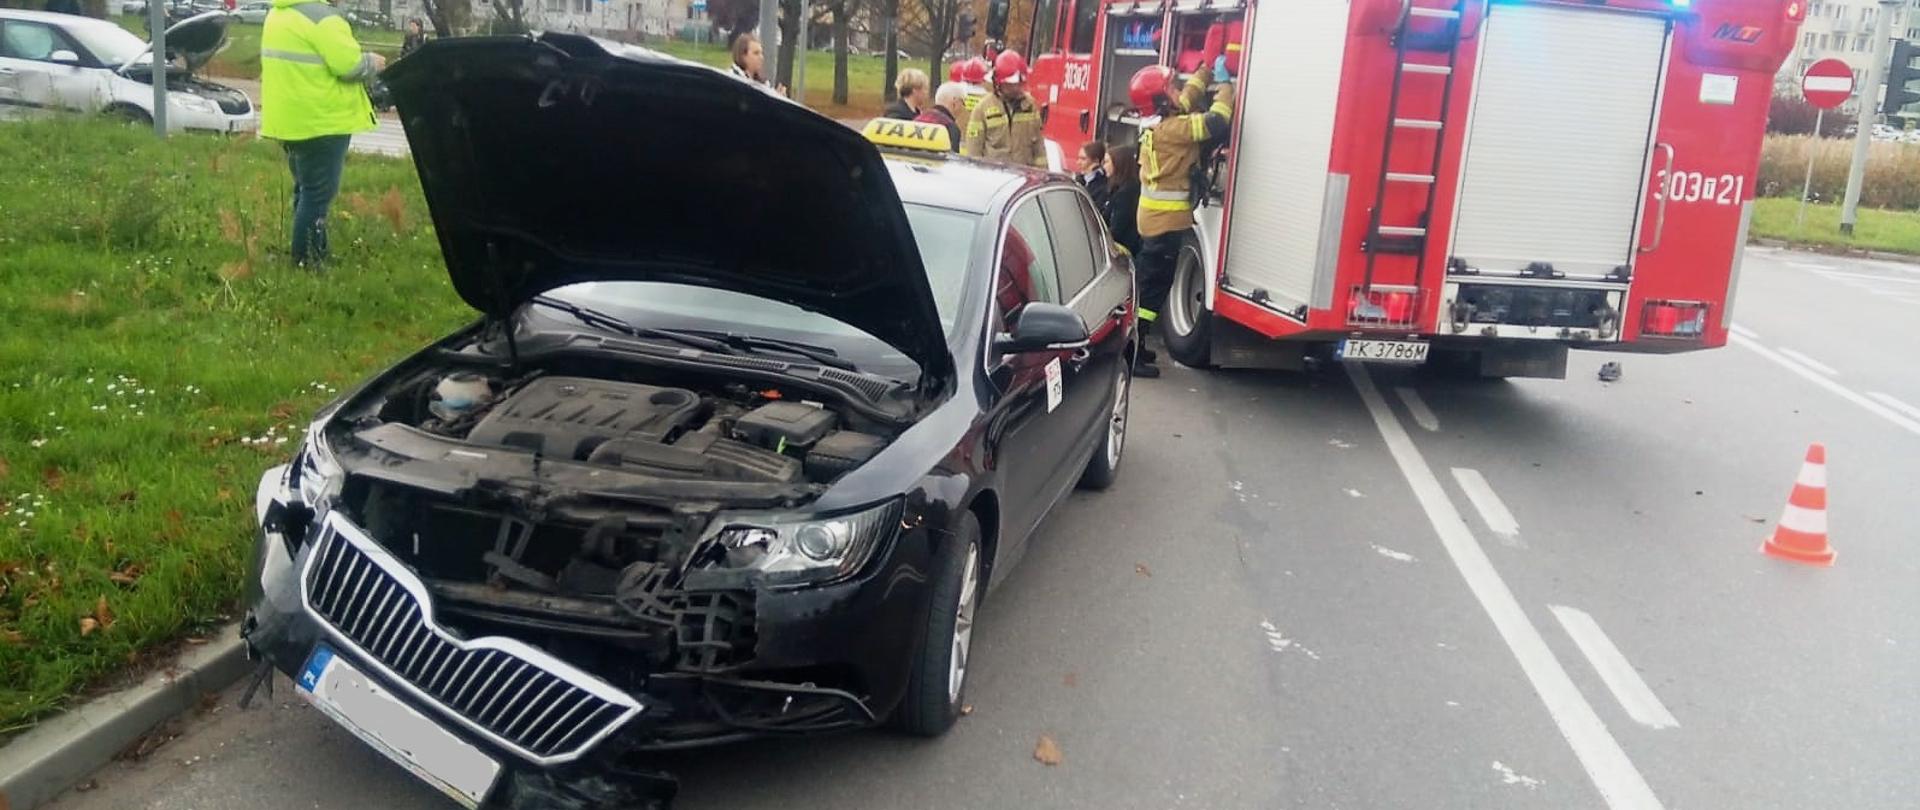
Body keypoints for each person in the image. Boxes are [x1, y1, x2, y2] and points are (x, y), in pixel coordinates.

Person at [1128, 23, 1233, 377]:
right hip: (1164, 224)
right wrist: (1224, 86)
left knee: (1149, 286)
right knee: (1151, 292)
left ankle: (1135, 345)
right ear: (1160, 99)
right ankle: (1133, 349)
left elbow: (1185, 100)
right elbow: (1217, 123)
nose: (1176, 91)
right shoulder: (1174, 130)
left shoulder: (1157, 122)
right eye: (1169, 87)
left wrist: (1203, 69)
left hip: (1155, 221)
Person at [260, 0, 386, 268]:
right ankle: (306, 261)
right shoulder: (325, 19)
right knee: (317, 194)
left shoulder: (278, 14)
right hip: (323, 121)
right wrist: (372, 62)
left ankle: (315, 251)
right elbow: (349, 66)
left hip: (291, 121)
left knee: (306, 190)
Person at [960, 50, 1046, 169]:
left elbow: (1039, 148)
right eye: (1011, 84)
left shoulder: (1030, 106)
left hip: (1023, 178)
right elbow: (974, 151)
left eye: (1019, 83)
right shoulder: (982, 109)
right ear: (998, 83)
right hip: (994, 180)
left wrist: (1042, 176)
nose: (1016, 88)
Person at [1103, 142, 1141, 258]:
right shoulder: (1120, 188)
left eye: (1107, 162)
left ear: (1119, 163)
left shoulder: (1126, 193)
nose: (1104, 166)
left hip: (1124, 252)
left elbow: (1117, 230)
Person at [915, 82, 966, 150]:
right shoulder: (950, 127)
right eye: (963, 103)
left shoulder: (917, 120)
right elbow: (952, 158)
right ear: (955, 102)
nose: (963, 107)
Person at [1077, 141, 1109, 211]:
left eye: (1083, 159)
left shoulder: (1103, 185)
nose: (1078, 162)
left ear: (1096, 161)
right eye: (1078, 158)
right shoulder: (1079, 179)